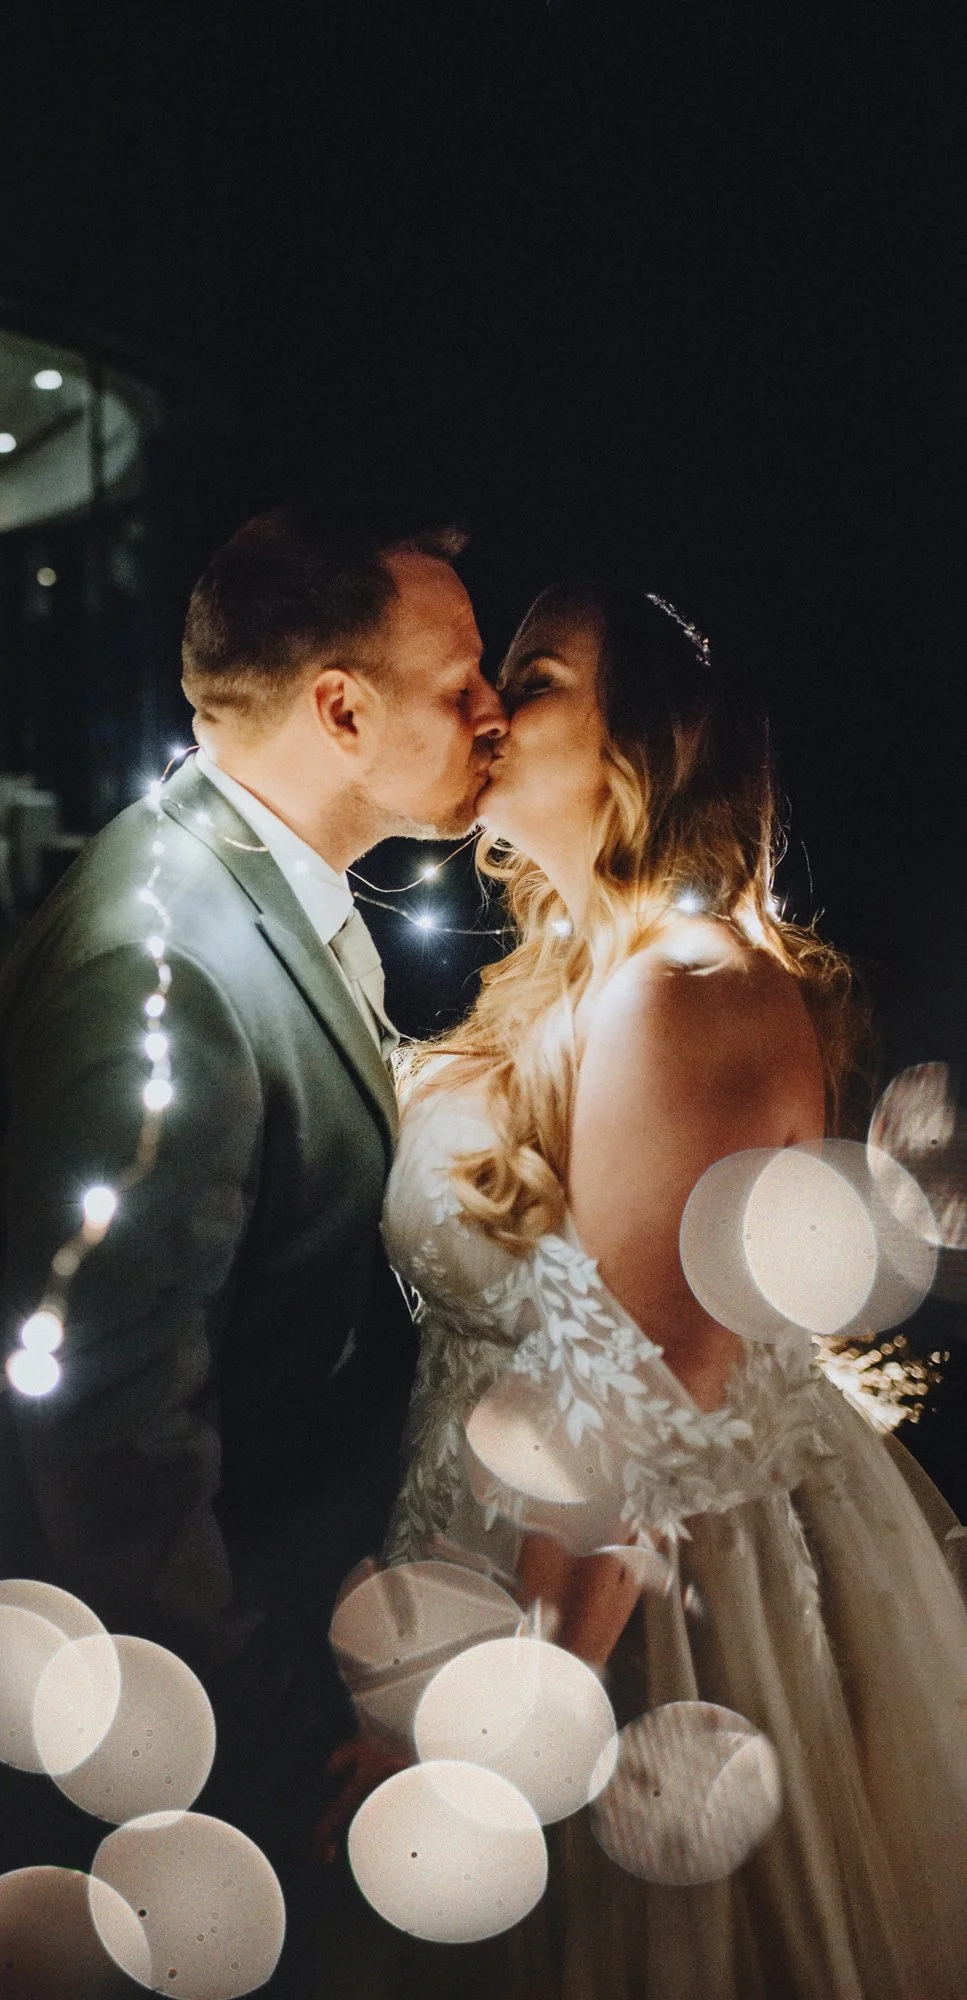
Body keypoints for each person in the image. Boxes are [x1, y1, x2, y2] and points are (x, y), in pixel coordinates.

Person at [0, 503, 506, 1995]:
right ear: (340, 710)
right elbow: (112, 1420)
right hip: (129, 1721)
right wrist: (259, 1721)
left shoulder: (235, 887)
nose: (495, 714)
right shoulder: (162, 968)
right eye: (461, 683)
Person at [347, 583, 967, 1999]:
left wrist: (507, 1735)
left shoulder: (682, 987)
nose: (494, 708)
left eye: (538, 677)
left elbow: (633, 1397)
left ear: (648, 743)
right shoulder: (599, 975)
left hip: (640, 1620)